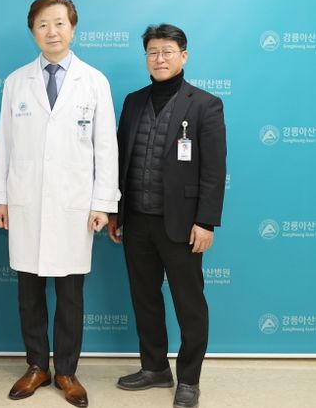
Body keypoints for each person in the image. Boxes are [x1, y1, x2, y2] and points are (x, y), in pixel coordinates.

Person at [0, 0, 119, 408]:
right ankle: (36, 366)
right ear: (33, 31)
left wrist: (102, 203)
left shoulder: (93, 81)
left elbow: (106, 148)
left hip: (74, 205)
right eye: (43, 24)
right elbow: (4, 145)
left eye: (60, 23)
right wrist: (0, 199)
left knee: (70, 294)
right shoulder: (16, 82)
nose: (52, 32)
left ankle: (65, 370)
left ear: (73, 28)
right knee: (28, 292)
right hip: (25, 201)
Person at [107, 24, 227, 408]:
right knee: (144, 298)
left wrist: (205, 222)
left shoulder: (205, 104)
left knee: (189, 305)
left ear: (183, 56)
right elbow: (120, 161)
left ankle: (189, 379)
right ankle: (155, 367)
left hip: (183, 224)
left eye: (167, 51)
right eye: (152, 52)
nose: (159, 58)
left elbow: (214, 170)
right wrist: (115, 213)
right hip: (137, 220)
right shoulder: (132, 102)